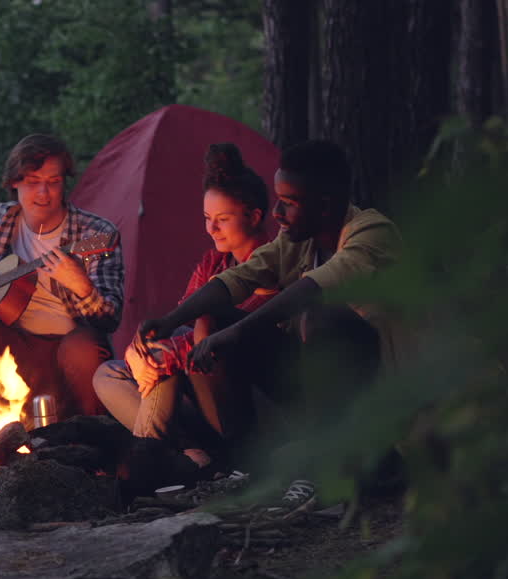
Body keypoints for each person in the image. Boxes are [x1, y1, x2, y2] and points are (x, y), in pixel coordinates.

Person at [133, 139, 403, 508]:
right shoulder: (296, 240)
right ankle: (246, 467)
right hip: (313, 386)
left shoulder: (371, 233)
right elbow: (240, 277)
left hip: (380, 388)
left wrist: (240, 331)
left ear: (324, 205)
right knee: (217, 321)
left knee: (319, 316)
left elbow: (315, 287)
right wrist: (171, 319)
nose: (276, 212)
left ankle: (322, 470)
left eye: (288, 203)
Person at [93, 143, 278, 498]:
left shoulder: (271, 265)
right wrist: (139, 350)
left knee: (172, 365)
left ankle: (150, 466)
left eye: (222, 220)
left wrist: (163, 357)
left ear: (254, 216)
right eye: (207, 219)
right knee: (108, 373)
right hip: (196, 399)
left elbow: (229, 332)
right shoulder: (212, 264)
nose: (212, 229)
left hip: (243, 403)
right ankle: (188, 455)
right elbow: (179, 322)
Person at [0, 134, 124, 419]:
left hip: (68, 348)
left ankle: (91, 436)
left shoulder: (95, 234)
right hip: (15, 346)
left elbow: (110, 318)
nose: (43, 193)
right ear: (14, 182)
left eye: (53, 182)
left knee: (83, 347)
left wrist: (82, 287)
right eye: (33, 181)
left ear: (64, 182)